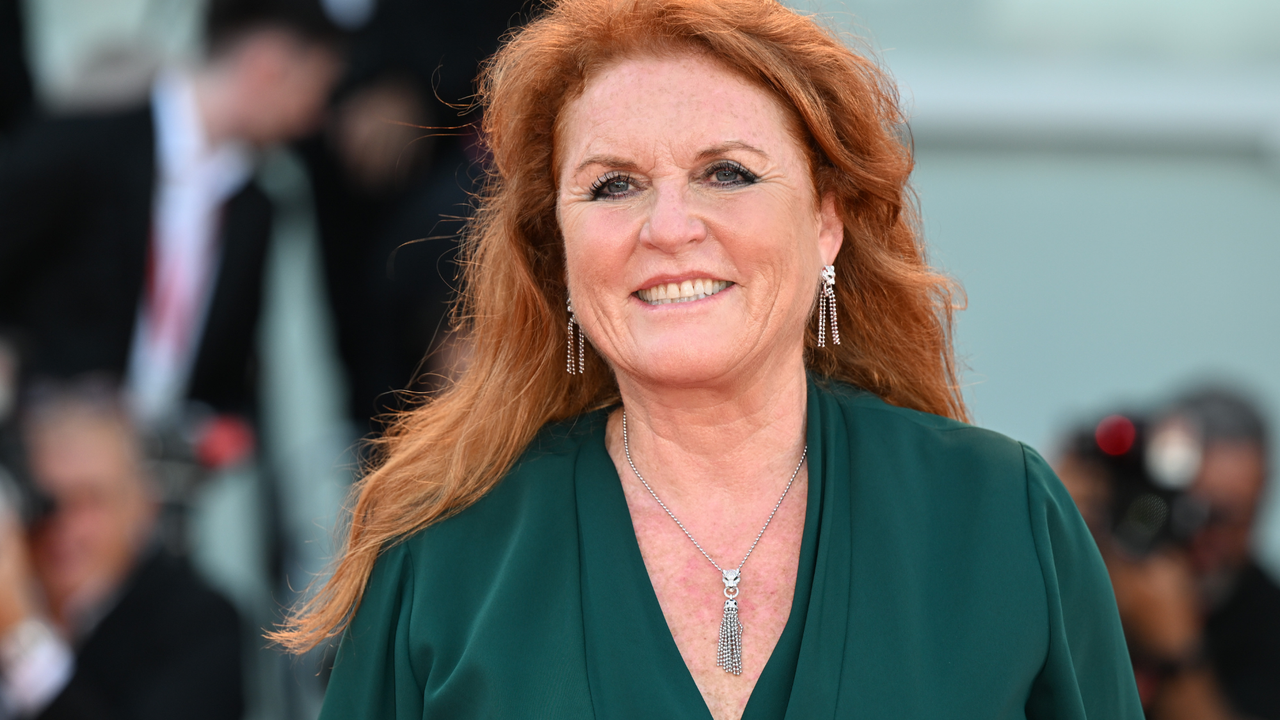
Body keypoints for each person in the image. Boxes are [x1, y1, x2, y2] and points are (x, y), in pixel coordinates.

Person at [275, 1, 1144, 718]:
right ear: (560, 256)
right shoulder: (446, 555)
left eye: (727, 173)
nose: (669, 228)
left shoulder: (1003, 519)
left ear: (825, 221)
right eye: (613, 185)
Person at [0, 0, 341, 429]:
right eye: (317, 89)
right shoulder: (84, 144)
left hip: (154, 480)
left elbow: (225, 373)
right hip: (44, 457)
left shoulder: (256, 208)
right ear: (268, 66)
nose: (314, 118)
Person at [0, 387, 242, 719]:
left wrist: (24, 643)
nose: (66, 526)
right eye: (48, 502)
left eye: (91, 501)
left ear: (144, 508)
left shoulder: (201, 624)